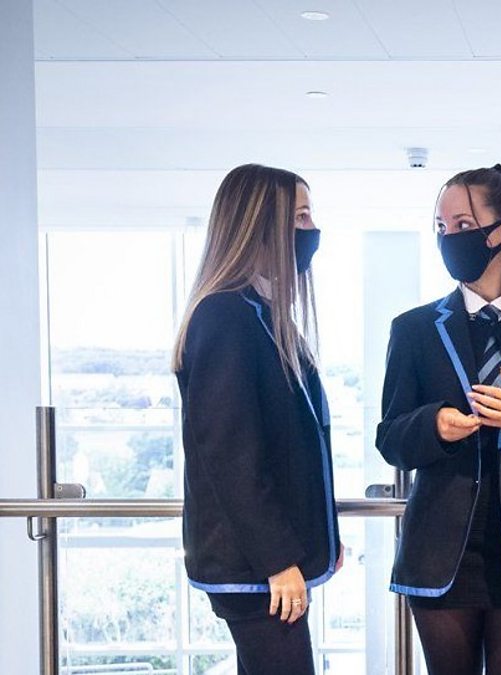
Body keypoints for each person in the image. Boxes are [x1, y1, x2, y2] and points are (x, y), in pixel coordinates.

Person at [376, 163, 501, 675]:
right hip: (440, 551)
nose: (448, 238)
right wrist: (434, 426)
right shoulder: (415, 329)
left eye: (463, 225)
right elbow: (391, 438)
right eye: (441, 227)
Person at [172, 164, 343, 675]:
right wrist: (278, 559)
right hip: (254, 566)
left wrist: (322, 537)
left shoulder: (260, 313)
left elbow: (292, 445)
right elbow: (231, 454)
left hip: (265, 563)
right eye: (301, 217)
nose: (312, 229)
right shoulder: (226, 316)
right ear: (260, 223)